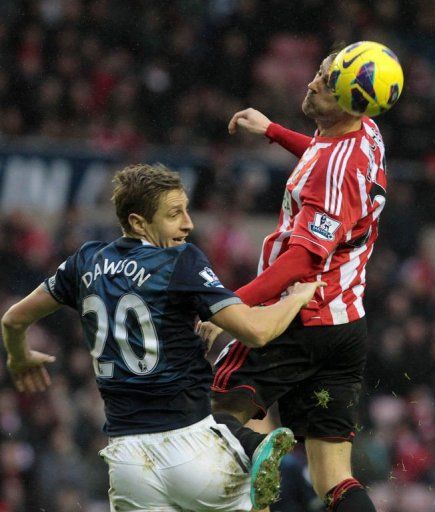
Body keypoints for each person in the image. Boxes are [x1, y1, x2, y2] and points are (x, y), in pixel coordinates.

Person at [1, 164, 324, 512]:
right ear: (139, 222)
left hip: (127, 463)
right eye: (174, 214)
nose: (188, 223)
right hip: (193, 448)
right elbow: (257, 332)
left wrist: (19, 357)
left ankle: (251, 446)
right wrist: (297, 298)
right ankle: (252, 447)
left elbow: (13, 319)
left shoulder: (85, 261)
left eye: (186, 209)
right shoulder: (178, 260)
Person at [203, 50, 388, 512]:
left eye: (325, 81)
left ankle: (268, 468)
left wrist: (227, 307)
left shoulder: (334, 170)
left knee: (212, 418)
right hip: (346, 326)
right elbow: (325, 157)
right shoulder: (366, 131)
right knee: (334, 479)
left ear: (348, 102)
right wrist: (272, 131)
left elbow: (300, 262)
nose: (310, 83)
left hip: (297, 316)